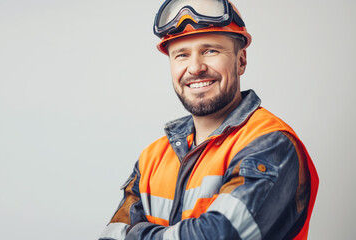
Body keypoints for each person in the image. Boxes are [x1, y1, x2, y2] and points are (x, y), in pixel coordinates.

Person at [99, 0, 319, 239]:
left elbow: (221, 235)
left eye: (210, 51)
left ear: (241, 61)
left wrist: (137, 234)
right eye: (181, 55)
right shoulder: (151, 158)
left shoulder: (271, 144)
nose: (195, 68)